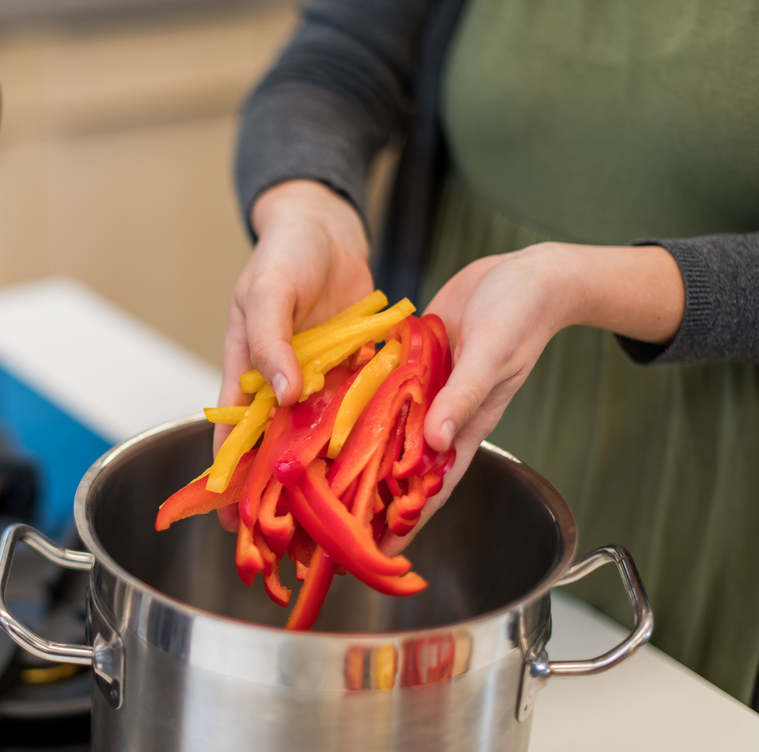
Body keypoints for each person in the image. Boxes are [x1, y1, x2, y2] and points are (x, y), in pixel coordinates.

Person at [218, 0, 759, 706]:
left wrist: (584, 284)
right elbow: (337, 59)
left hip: (715, 489)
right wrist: (306, 207)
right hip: (450, 428)